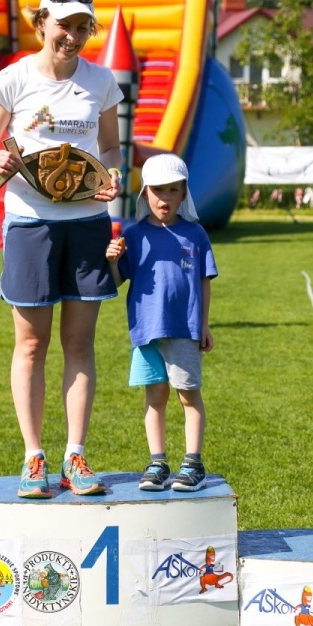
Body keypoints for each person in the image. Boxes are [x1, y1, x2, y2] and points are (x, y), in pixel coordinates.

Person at [0, 0, 124, 500]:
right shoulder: (13, 79)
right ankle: (33, 457)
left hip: (87, 224)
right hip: (29, 223)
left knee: (79, 344)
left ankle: (75, 456)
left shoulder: (101, 81)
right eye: (64, 26)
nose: (73, 37)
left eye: (83, 27)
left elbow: (111, 148)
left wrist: (112, 175)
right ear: (42, 23)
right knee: (32, 344)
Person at [106, 153, 217, 492]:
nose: (164, 198)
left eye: (173, 189)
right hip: (145, 331)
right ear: (145, 193)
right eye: (157, 190)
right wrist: (112, 261)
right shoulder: (134, 235)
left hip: (184, 330)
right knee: (155, 396)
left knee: (188, 396)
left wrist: (204, 324)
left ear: (184, 193)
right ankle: (158, 463)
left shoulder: (195, 234)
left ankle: (193, 464)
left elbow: (204, 281)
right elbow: (117, 281)